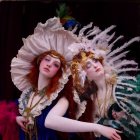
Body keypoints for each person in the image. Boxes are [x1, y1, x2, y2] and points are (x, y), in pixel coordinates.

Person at [10, 17, 122, 140]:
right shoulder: (26, 96)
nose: (49, 64)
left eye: (56, 65)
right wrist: (15, 118)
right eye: (47, 59)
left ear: (59, 72)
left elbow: (50, 121)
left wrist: (97, 127)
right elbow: (7, 116)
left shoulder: (61, 97)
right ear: (39, 61)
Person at [69, 24, 140, 140]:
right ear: (85, 76)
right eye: (88, 65)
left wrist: (125, 115)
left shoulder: (122, 84)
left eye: (95, 60)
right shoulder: (91, 98)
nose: (95, 65)